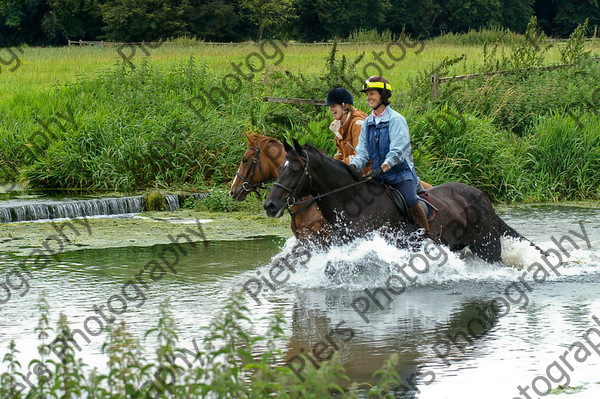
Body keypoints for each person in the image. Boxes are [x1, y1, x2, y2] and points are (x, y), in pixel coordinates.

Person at [349, 76, 430, 233]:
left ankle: (426, 236)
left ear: (383, 95)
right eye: (367, 94)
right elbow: (362, 152)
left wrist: (383, 168)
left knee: (410, 199)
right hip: (378, 177)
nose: (368, 98)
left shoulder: (396, 120)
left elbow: (398, 152)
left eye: (372, 93)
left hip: (401, 175)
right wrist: (353, 166)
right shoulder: (368, 122)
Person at [325, 87, 370, 171]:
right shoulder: (337, 126)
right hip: (350, 170)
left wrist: (337, 166)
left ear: (345, 105)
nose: (331, 109)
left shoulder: (358, 123)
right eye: (330, 106)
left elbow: (359, 155)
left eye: (334, 105)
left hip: (365, 172)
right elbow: (340, 153)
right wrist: (333, 164)